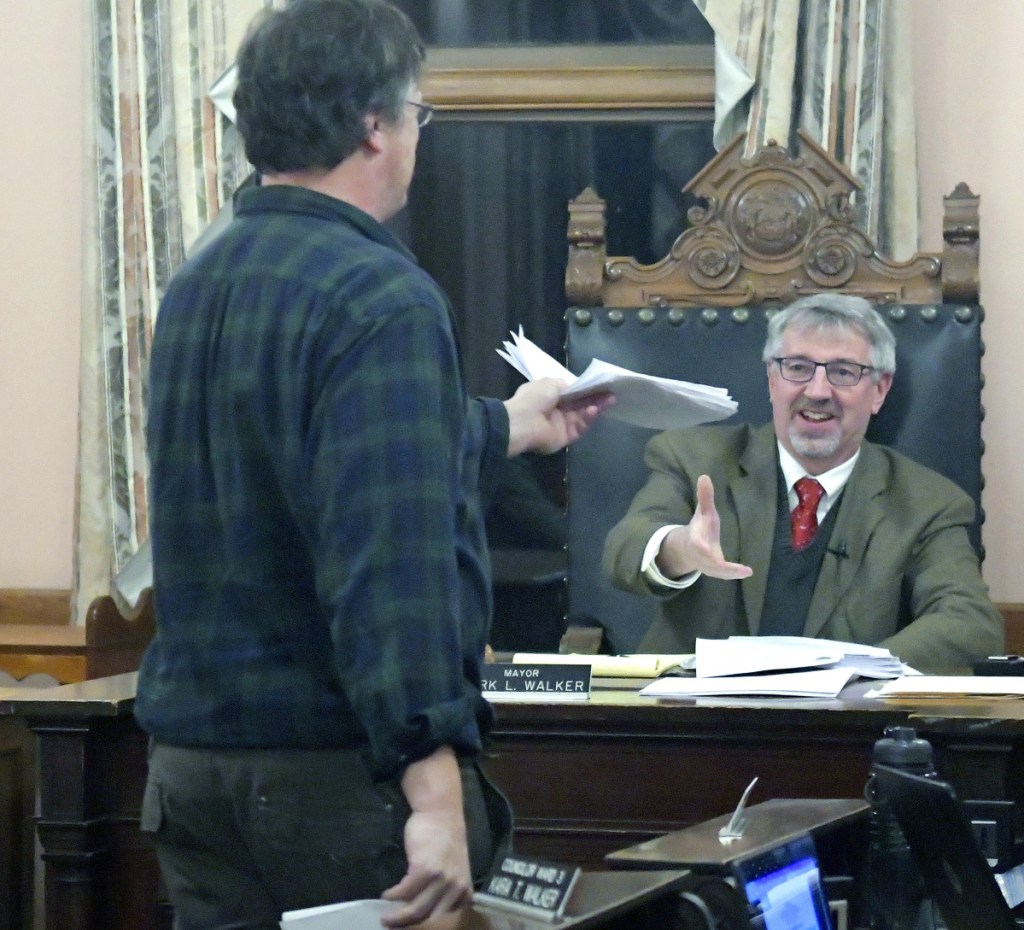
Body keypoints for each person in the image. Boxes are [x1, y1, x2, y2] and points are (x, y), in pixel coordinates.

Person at [134, 2, 610, 928]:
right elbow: (387, 560)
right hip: (334, 781)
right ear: (372, 124)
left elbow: (296, 466)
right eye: (418, 114)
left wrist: (507, 426)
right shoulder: (382, 294)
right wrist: (433, 793)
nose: (418, 138)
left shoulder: (199, 278)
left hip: (191, 774)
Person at [603, 293, 1003, 672]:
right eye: (797, 367)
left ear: (879, 390)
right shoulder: (692, 460)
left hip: (843, 731)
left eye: (843, 372)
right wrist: (680, 550)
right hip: (699, 723)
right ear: (772, 378)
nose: (817, 391)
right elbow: (624, 553)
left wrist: (855, 671)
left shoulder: (928, 503)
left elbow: (969, 624)